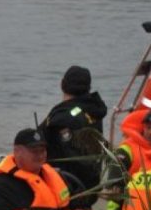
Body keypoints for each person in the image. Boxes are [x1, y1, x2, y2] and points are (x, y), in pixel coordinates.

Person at [41, 65, 107, 202]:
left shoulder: (63, 118)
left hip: (65, 190)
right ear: (88, 88)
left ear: (62, 84)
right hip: (91, 186)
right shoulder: (92, 111)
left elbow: (38, 141)